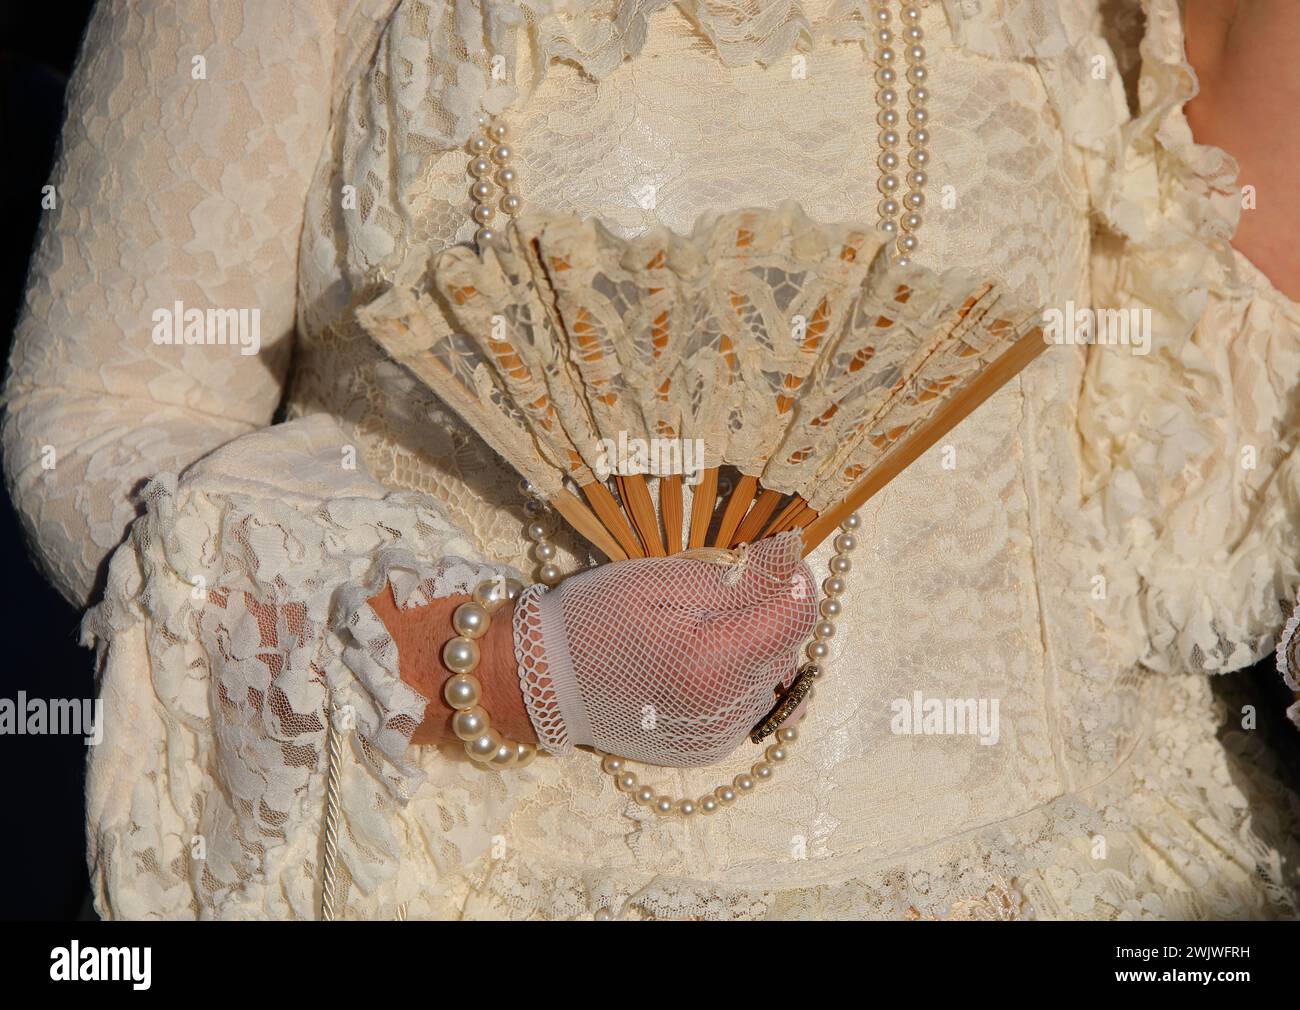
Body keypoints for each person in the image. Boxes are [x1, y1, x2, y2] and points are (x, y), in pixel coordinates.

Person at [4, 0, 1299, 920]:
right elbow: (103, 405)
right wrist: (497, 664)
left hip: (1111, 869)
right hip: (493, 874)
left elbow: (1188, 526)